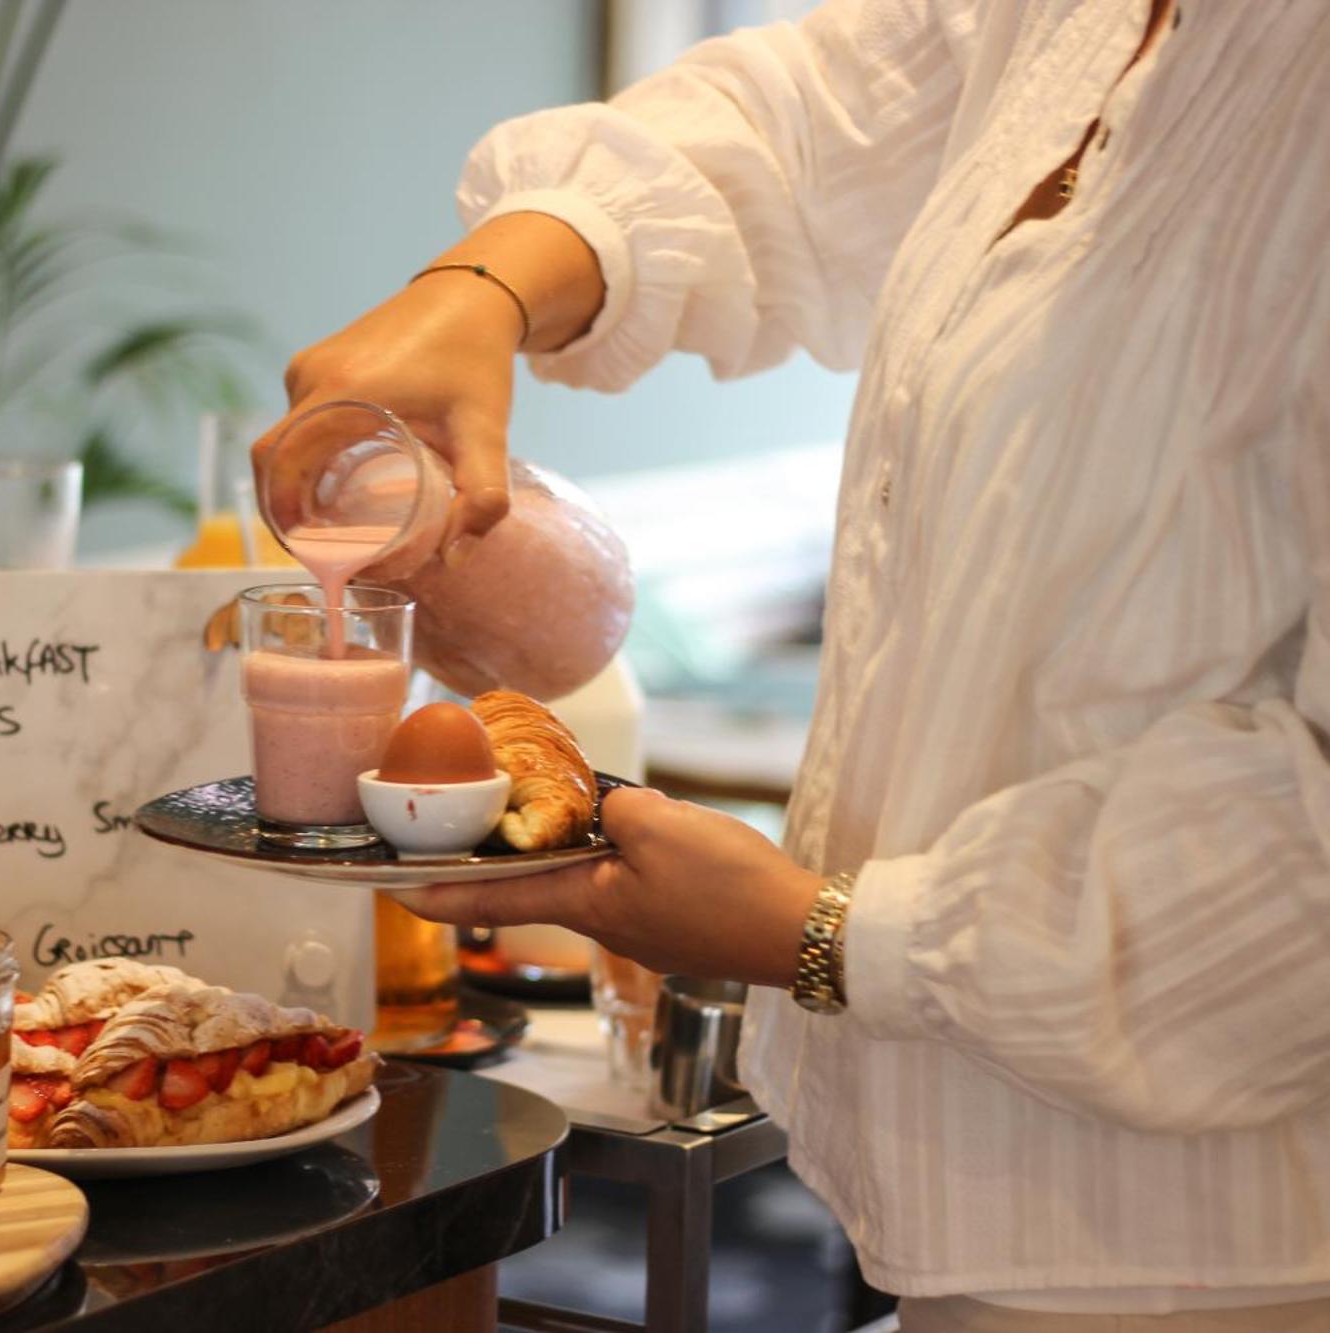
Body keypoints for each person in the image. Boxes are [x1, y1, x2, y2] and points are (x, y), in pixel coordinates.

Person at [255, 0, 1330, 1328]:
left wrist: (818, 930)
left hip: (1233, 1240)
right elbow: (794, 126)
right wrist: (484, 285)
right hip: (958, 1197)